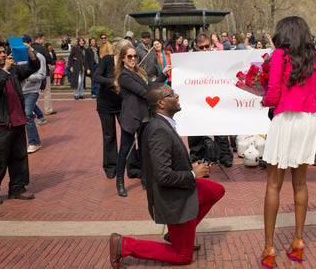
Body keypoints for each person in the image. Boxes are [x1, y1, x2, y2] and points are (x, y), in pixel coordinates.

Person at [109, 83, 225, 267]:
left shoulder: (163, 123)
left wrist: (190, 167)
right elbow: (163, 175)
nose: (177, 95)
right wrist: (192, 174)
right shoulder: (158, 130)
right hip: (174, 200)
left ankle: (175, 235)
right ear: (161, 103)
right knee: (183, 257)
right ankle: (124, 245)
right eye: (172, 94)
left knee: (216, 190)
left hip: (182, 190)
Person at [260, 16, 316, 267]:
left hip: (286, 118)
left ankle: (269, 247)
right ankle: (298, 241)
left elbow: (273, 93)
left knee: (273, 184)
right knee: (300, 183)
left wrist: (262, 100)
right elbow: (315, 90)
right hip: (308, 120)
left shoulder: (279, 55)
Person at [0, 39, 39, 205]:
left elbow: (32, 68)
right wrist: (5, 70)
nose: (3, 55)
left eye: (4, 51)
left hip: (17, 122)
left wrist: (30, 54)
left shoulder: (12, 70)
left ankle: (17, 188)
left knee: (19, 158)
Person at [114, 45, 172, 197]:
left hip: (144, 116)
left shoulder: (138, 72)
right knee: (125, 150)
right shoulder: (124, 76)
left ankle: (146, 179)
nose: (133, 59)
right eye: (129, 56)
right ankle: (119, 182)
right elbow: (144, 92)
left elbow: (149, 86)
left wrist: (163, 75)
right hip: (131, 117)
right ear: (123, 59)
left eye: (134, 56)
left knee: (145, 149)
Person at [187, 33, 234, 168]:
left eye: (207, 46)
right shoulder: (189, 60)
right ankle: (196, 154)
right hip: (197, 97)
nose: (204, 49)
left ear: (211, 45)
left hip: (217, 96)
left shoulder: (220, 58)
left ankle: (224, 155)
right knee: (195, 126)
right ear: (196, 46)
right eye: (201, 47)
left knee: (220, 126)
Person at [92, 40, 131, 179]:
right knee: (109, 136)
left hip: (122, 104)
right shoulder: (107, 60)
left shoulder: (127, 63)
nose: (130, 57)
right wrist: (112, 81)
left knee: (128, 133)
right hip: (105, 104)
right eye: (126, 53)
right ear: (117, 52)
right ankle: (110, 167)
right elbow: (96, 77)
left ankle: (132, 167)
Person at [21, 34, 47, 153]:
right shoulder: (17, 56)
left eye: (24, 43)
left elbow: (41, 75)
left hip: (32, 90)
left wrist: (27, 77)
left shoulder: (39, 56)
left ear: (29, 43)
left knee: (27, 114)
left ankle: (34, 142)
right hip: (19, 90)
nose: (22, 45)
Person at [31, 33, 56, 115]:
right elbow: (49, 60)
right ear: (39, 39)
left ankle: (33, 110)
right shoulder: (43, 48)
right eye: (43, 39)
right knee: (47, 92)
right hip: (44, 72)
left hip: (33, 72)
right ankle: (48, 109)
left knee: (34, 92)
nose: (43, 41)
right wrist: (52, 62)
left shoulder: (30, 48)